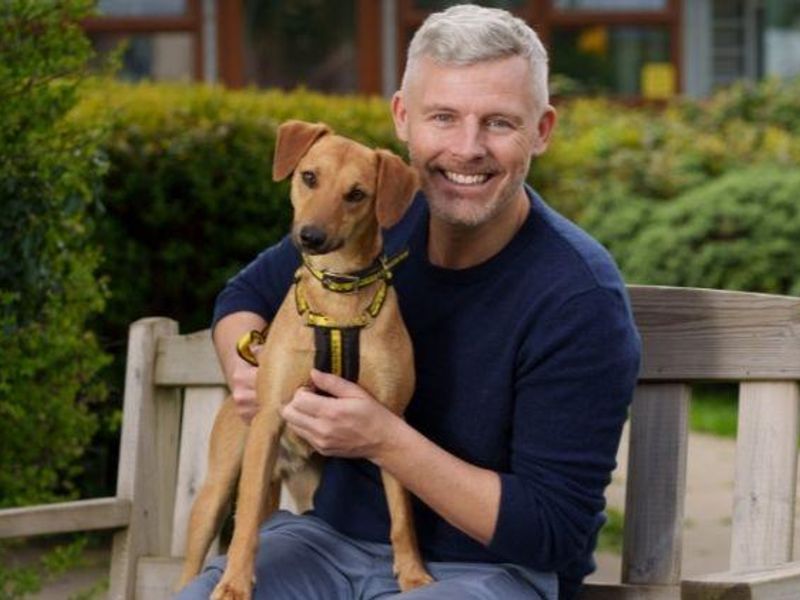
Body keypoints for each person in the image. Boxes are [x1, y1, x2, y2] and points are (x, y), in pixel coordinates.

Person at [177, 4, 640, 600]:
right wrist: (250, 367)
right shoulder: (374, 217)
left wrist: (383, 438)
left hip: (488, 573)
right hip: (324, 543)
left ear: (542, 130)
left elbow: (554, 531)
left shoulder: (578, 297)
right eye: (443, 117)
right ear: (403, 117)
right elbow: (246, 295)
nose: (467, 149)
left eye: (498, 123)